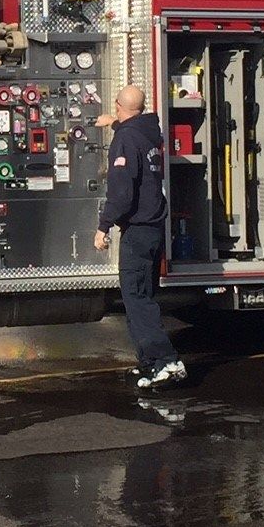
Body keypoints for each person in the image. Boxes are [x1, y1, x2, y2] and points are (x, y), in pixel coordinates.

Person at [93, 86, 185, 390]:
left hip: (137, 230)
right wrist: (115, 124)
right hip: (154, 228)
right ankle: (148, 363)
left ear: (119, 105)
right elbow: (133, 136)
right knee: (142, 296)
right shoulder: (147, 133)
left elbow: (121, 193)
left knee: (136, 299)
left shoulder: (125, 140)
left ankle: (167, 362)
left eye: (116, 107)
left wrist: (103, 227)